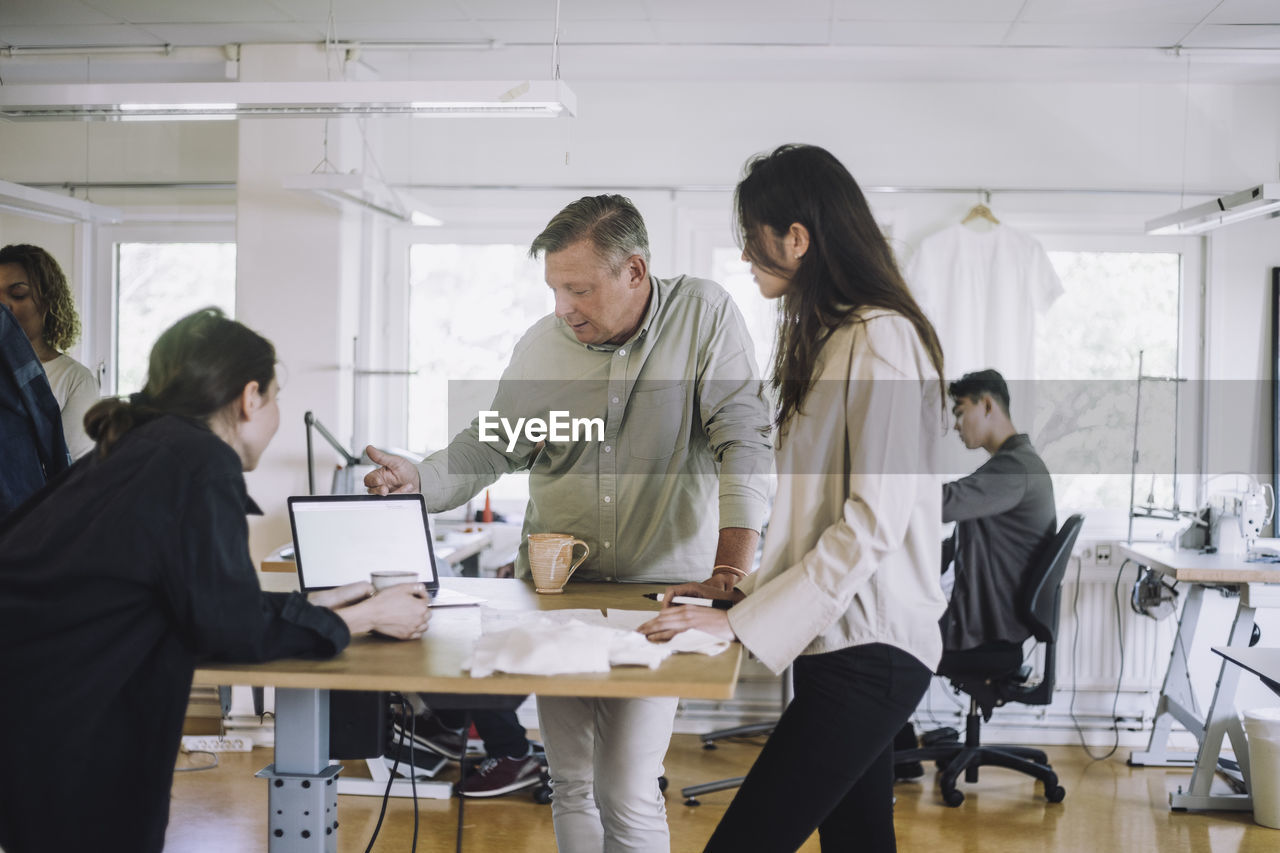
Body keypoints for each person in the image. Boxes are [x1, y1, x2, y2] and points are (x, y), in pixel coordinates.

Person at [365, 194, 773, 850]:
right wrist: (421, 478)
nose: (563, 308)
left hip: (656, 598)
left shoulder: (703, 315)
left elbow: (745, 438)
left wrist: (732, 567)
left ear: (634, 271)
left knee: (629, 789)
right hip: (562, 600)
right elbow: (491, 444)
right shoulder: (543, 346)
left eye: (579, 289)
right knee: (572, 781)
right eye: (556, 289)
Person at [0, 308, 432, 853]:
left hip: (37, 701)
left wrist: (319, 603)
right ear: (250, 397)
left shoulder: (147, 446)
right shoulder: (199, 460)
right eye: (275, 397)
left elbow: (197, 597)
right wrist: (367, 616)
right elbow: (229, 628)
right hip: (67, 718)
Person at [639, 144, 948, 853]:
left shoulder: (882, 338)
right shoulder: (838, 338)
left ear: (798, 238)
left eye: (754, 238)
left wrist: (741, 626)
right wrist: (733, 592)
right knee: (860, 842)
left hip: (873, 649)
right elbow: (815, 520)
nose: (746, 255)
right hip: (842, 643)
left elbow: (871, 524)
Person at [894, 369, 1058, 777]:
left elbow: (945, 503)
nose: (954, 424)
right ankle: (898, 755)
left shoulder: (1014, 469)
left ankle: (893, 759)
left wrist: (888, 481)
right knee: (893, 623)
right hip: (1000, 623)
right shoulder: (1013, 465)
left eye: (960, 410)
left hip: (989, 630)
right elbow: (962, 540)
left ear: (987, 405)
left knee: (883, 642)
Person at [0, 243, 100, 458]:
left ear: (48, 301)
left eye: (18, 294)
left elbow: (74, 474)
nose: (3, 306)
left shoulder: (73, 379)